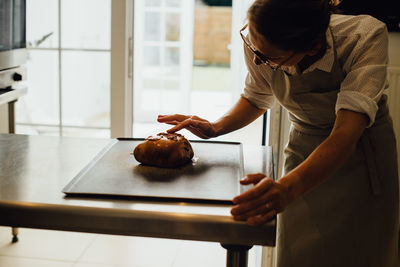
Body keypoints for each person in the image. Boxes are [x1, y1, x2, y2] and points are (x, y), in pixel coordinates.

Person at [158, 0, 399, 265]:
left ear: (313, 47)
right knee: (298, 251)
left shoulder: (363, 37)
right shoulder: (260, 38)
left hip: (362, 160)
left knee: (361, 252)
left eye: (269, 58)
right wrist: (216, 128)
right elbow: (256, 96)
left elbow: (345, 133)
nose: (257, 59)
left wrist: (287, 188)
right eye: (253, 48)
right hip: (302, 154)